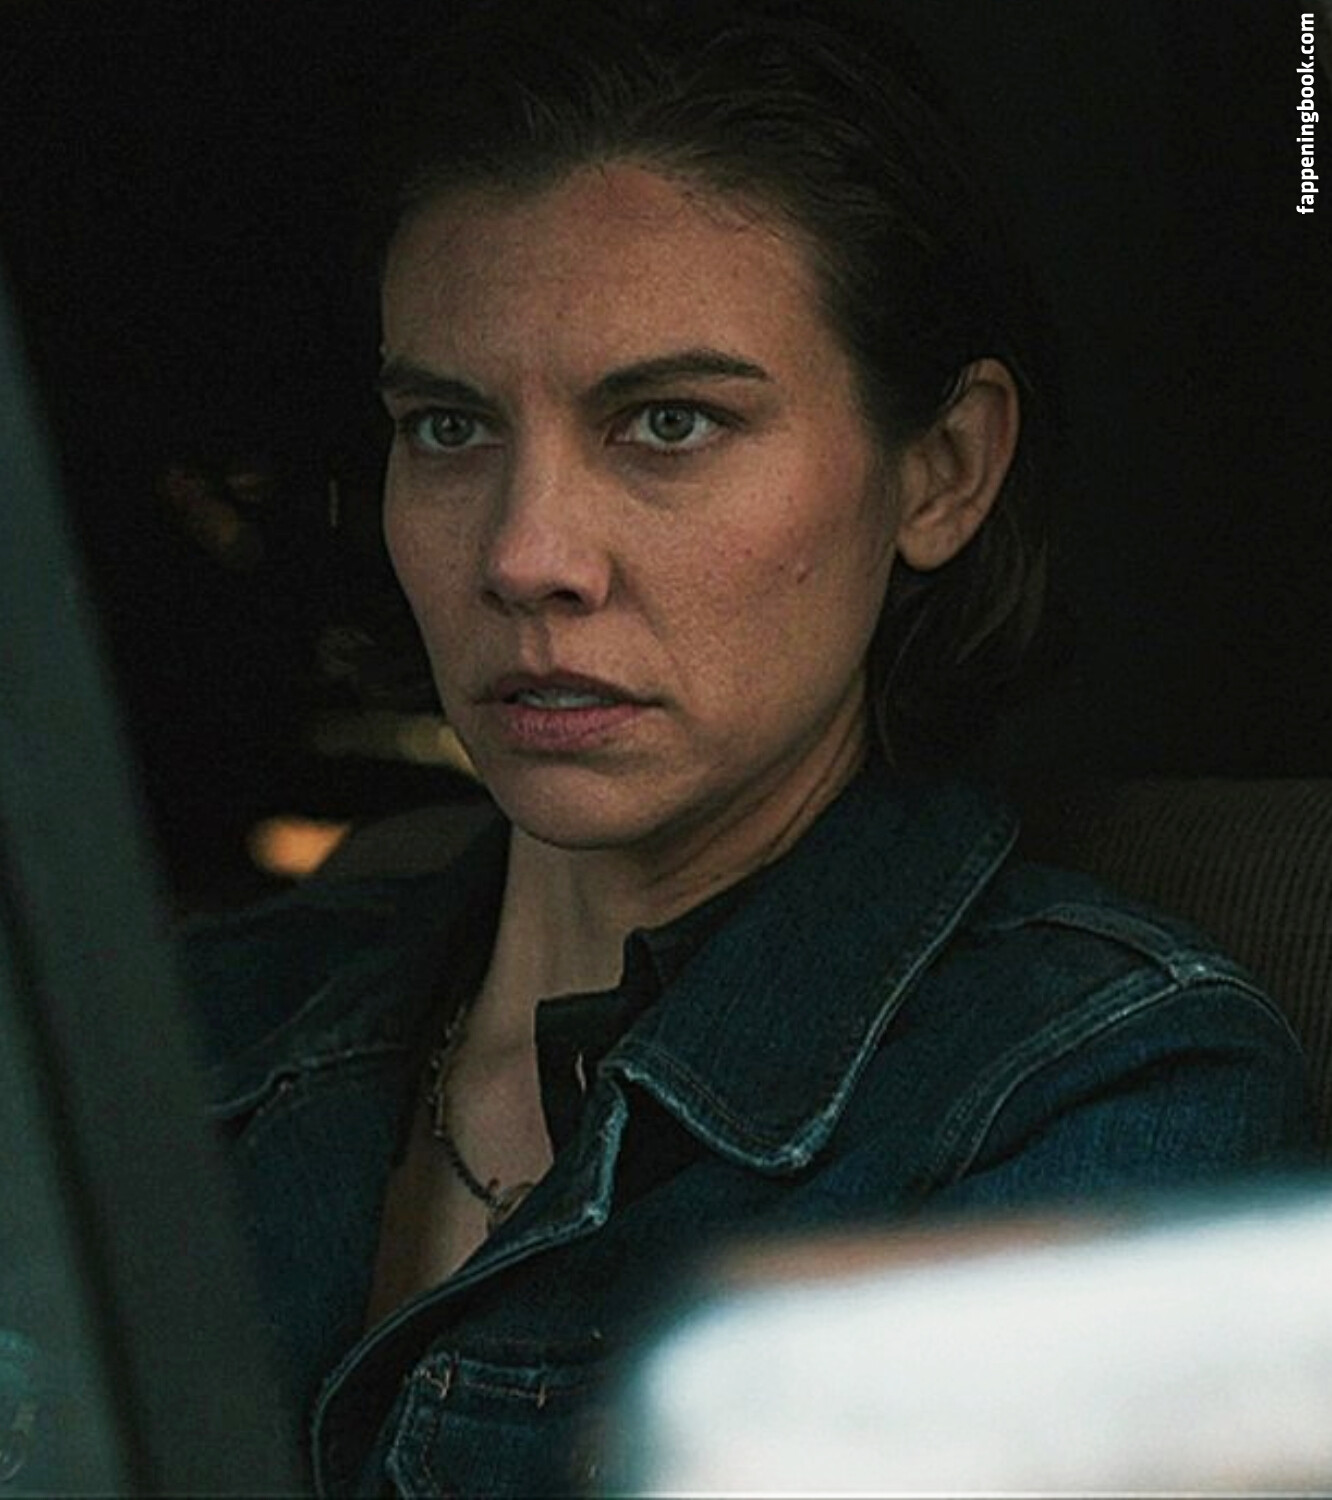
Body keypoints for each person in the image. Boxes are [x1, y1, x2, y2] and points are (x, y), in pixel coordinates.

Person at [183, 1, 1313, 1491]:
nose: (526, 556)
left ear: (942, 471)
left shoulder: (1088, 1087)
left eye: (670, 424)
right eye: (450, 429)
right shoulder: (212, 1020)